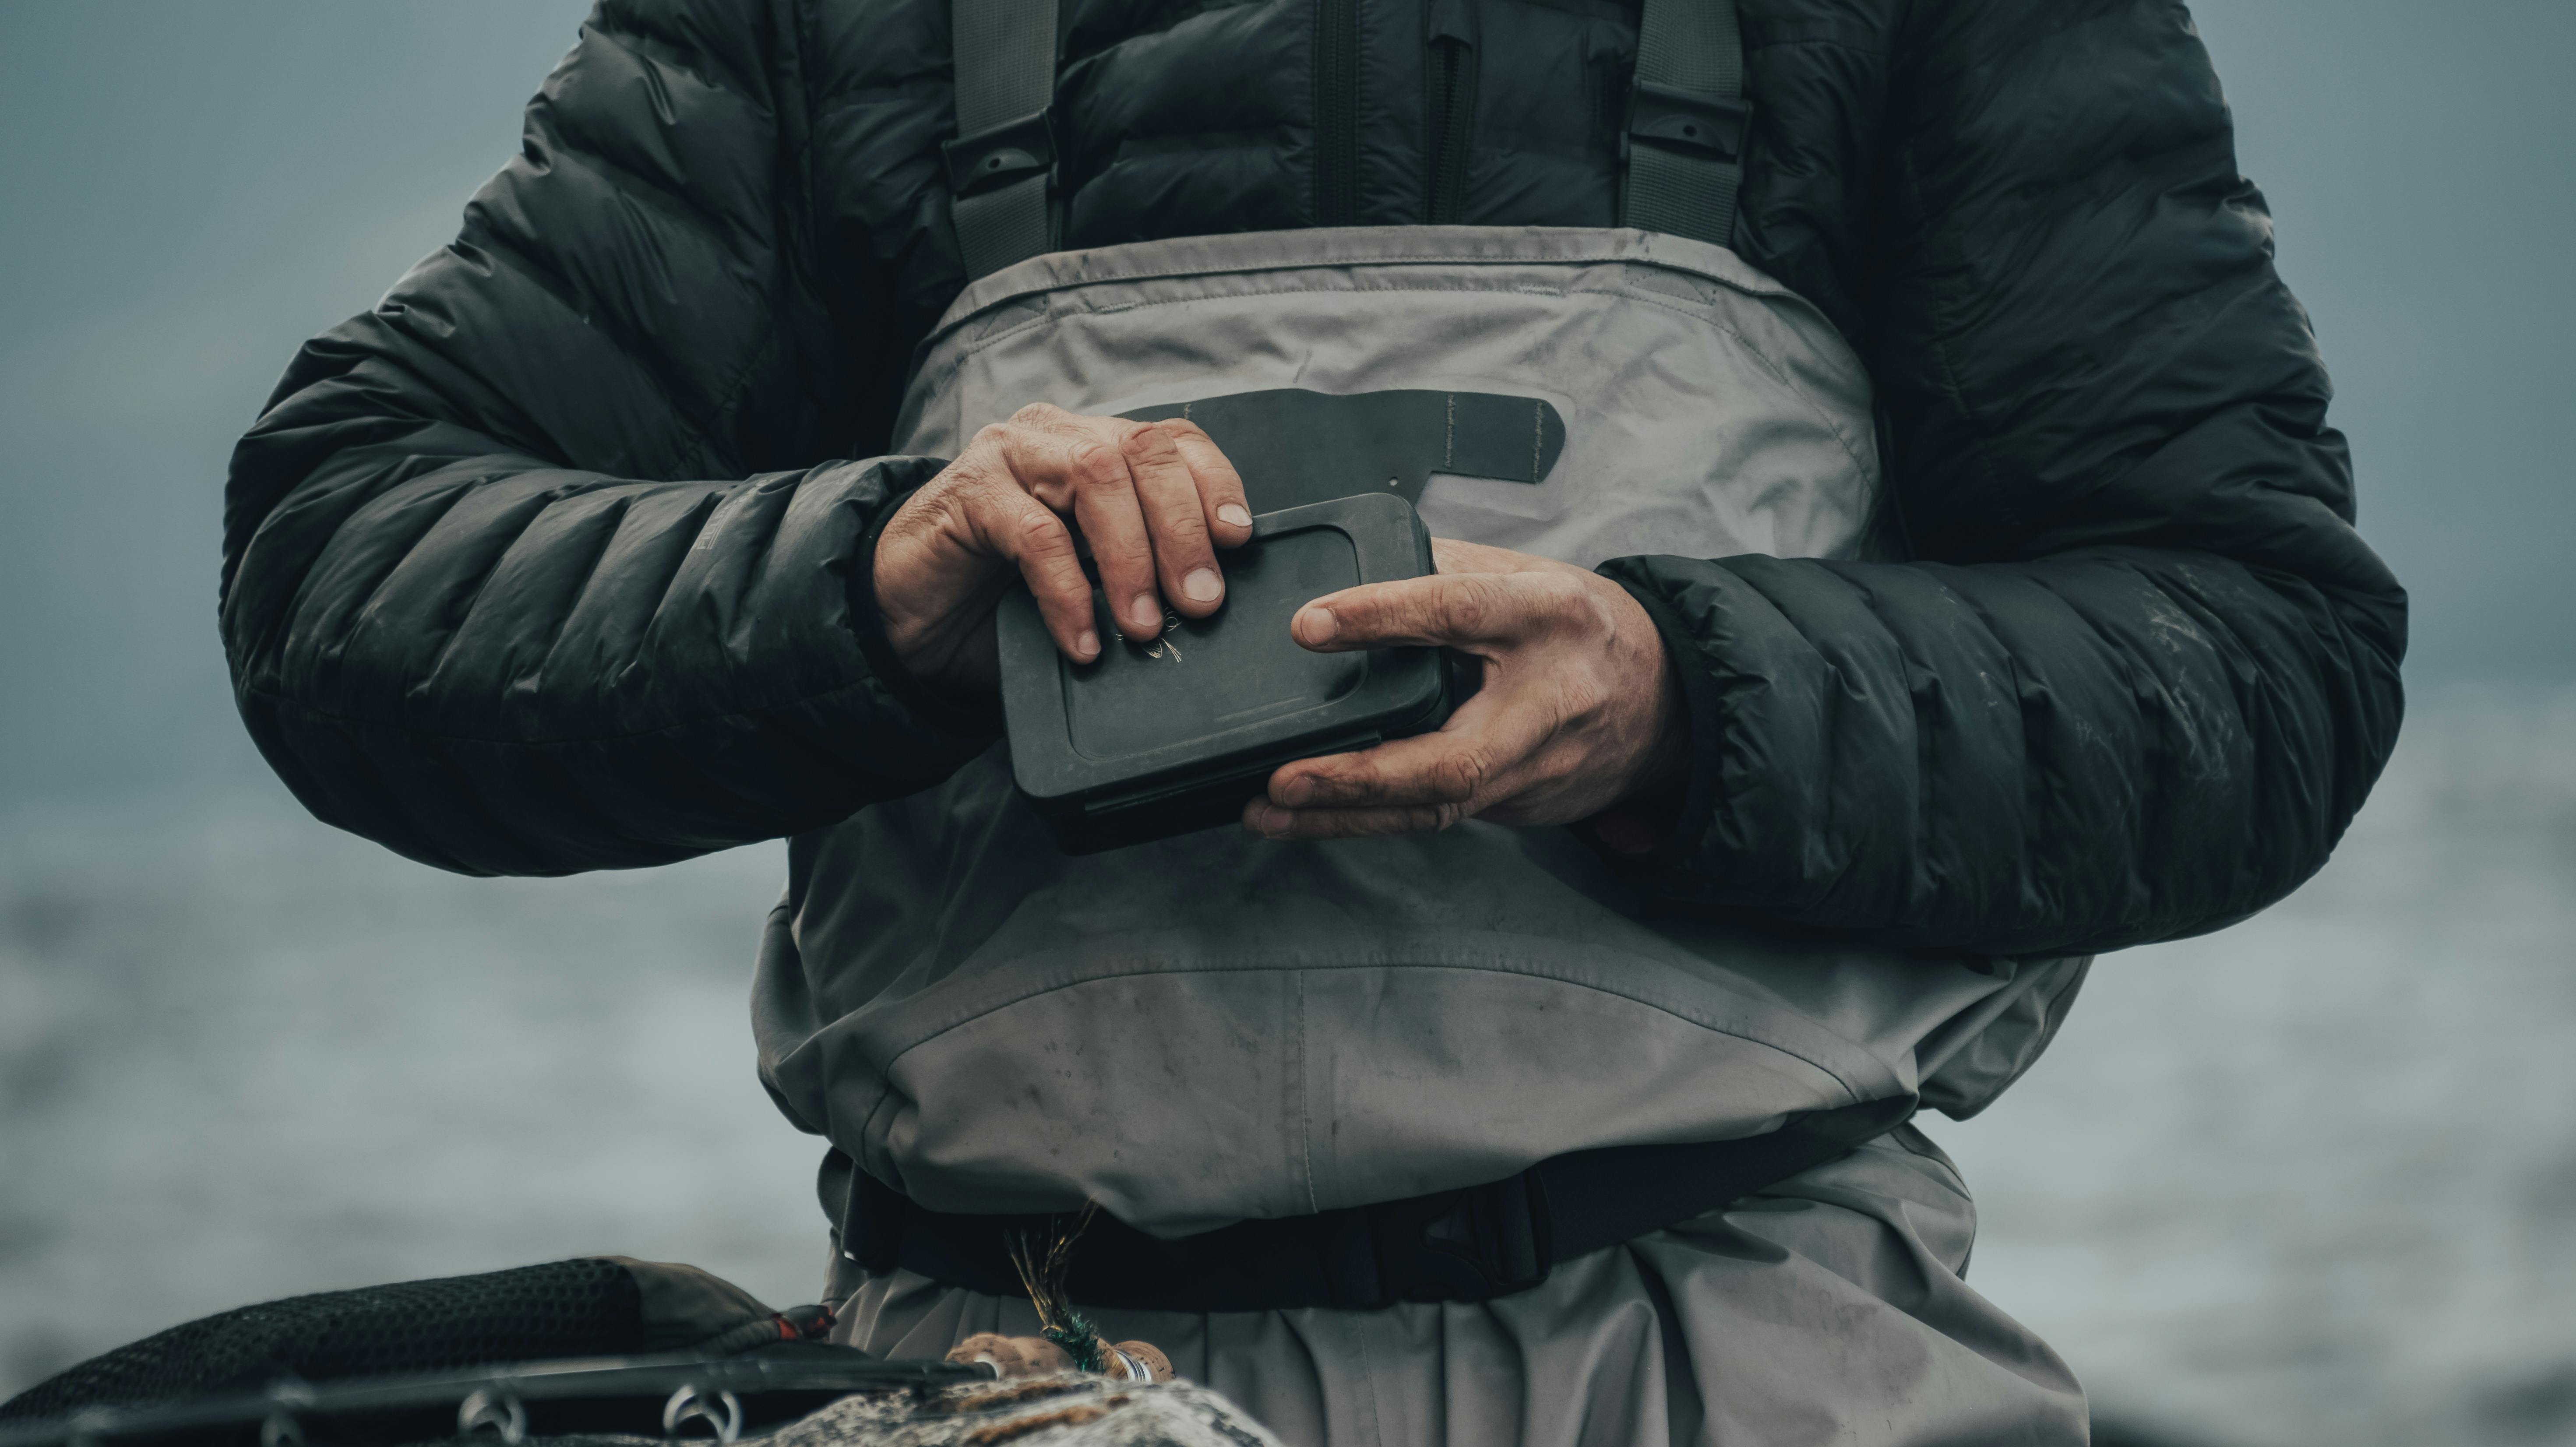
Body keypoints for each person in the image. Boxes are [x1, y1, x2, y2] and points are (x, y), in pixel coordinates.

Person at [217, 0, 2405, 1441]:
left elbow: (2255, 655)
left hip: (1757, 1366)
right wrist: (876, 585)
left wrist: (1683, 700)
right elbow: (346, 569)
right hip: (995, 1385)